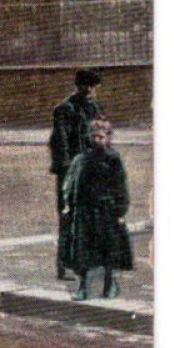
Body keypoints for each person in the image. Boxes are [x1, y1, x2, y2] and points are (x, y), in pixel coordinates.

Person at [60, 117, 133, 301]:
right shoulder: (81, 159)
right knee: (82, 252)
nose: (97, 140)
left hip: (106, 211)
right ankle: (83, 287)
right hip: (84, 212)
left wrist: (120, 211)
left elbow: (120, 186)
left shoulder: (113, 159)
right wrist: (68, 203)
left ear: (108, 138)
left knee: (109, 250)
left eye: (101, 137)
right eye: (94, 136)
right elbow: (70, 182)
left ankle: (110, 286)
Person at [48, 69, 103, 278]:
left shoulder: (94, 107)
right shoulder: (64, 109)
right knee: (67, 217)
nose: (89, 90)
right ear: (77, 86)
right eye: (85, 86)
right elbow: (59, 142)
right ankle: (62, 266)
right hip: (70, 172)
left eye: (92, 87)